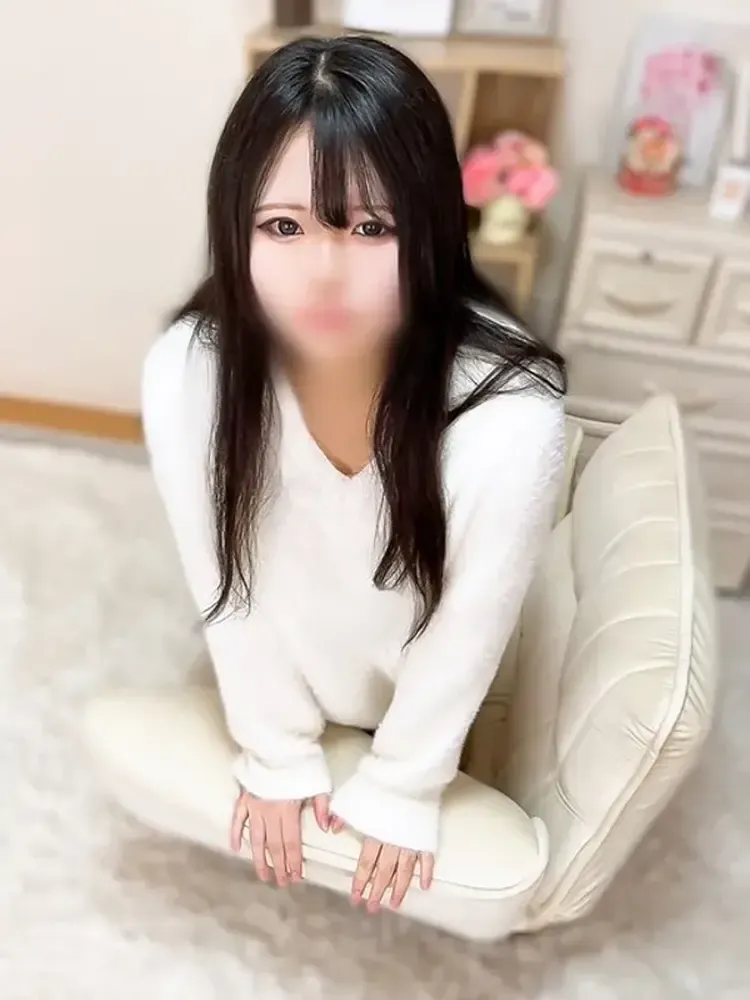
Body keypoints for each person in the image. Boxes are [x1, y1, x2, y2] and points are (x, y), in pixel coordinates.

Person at [141, 34, 566, 915]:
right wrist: (275, 750)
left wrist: (405, 784)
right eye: (283, 226)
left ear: (432, 229)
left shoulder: (510, 414)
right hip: (295, 666)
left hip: (426, 694)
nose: (323, 273)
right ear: (235, 228)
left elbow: (470, 627)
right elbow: (222, 578)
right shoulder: (189, 371)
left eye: (371, 227)